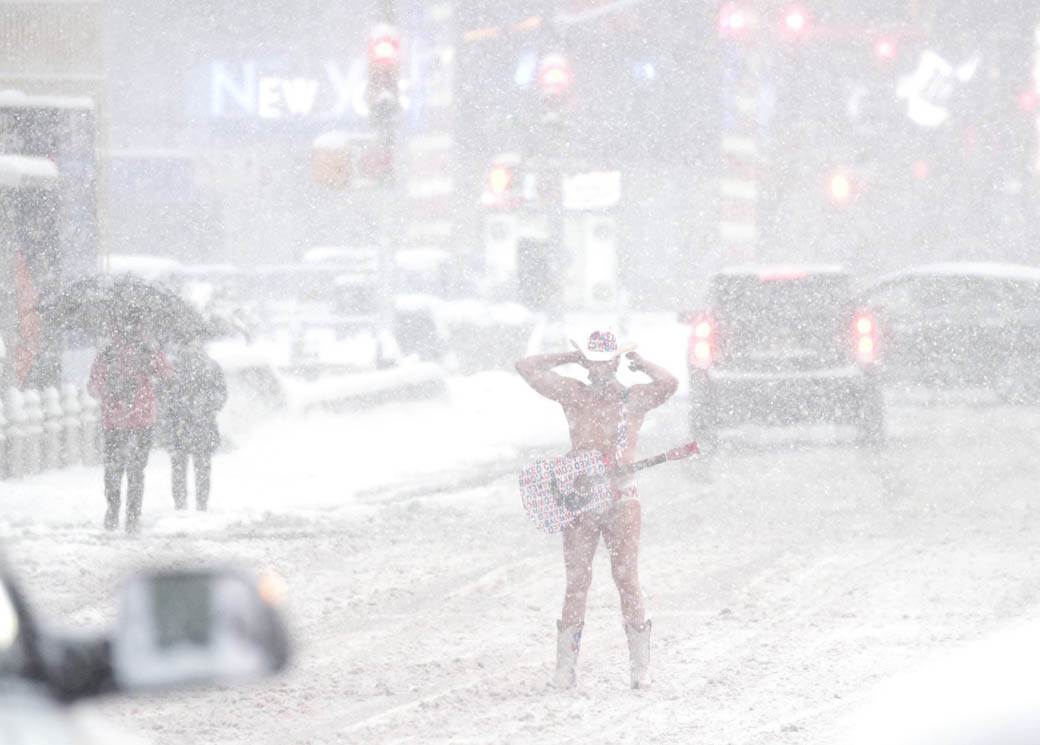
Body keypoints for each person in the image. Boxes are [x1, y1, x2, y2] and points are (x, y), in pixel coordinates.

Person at [516, 329, 678, 690]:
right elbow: (525, 366)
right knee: (576, 583)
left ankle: (640, 670)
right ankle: (565, 670)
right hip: (581, 499)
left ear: (617, 361)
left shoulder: (633, 399)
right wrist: (569, 357)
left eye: (607, 361)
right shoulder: (573, 395)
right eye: (594, 361)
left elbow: (670, 384)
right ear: (588, 363)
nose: (600, 369)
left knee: (626, 579)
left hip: (621, 496)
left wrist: (643, 363)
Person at [87, 311, 171, 533]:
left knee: (114, 469)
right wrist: (154, 351)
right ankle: (132, 517)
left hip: (114, 421)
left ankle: (113, 512)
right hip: (141, 420)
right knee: (136, 471)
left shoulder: (108, 352)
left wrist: (110, 392)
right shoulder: (146, 350)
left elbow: (93, 387)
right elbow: (167, 375)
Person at [163, 342, 227, 511]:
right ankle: (184, 505)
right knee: (186, 468)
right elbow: (163, 395)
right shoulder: (174, 367)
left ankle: (199, 505)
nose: (189, 346)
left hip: (193, 425)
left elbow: (221, 394)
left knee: (197, 468)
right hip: (186, 425)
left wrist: (204, 405)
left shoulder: (210, 367)